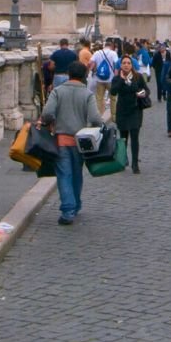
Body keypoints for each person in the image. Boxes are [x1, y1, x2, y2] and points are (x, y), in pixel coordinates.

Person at [41, 61, 103, 224]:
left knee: (64, 174)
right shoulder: (87, 94)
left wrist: (51, 121)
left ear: (69, 74)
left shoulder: (58, 91)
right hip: (81, 142)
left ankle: (68, 209)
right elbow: (96, 118)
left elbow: (47, 113)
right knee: (76, 174)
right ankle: (75, 205)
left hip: (62, 140)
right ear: (84, 76)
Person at [110, 55, 150, 173]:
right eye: (124, 63)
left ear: (132, 65)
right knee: (123, 138)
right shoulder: (117, 79)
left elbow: (147, 90)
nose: (126, 65)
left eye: (128, 63)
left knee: (134, 137)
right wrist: (123, 80)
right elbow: (113, 91)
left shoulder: (138, 77)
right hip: (122, 110)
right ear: (121, 65)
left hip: (135, 110)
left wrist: (143, 93)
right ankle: (123, 160)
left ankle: (135, 163)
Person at [90, 39, 121, 119]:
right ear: (111, 46)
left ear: (104, 46)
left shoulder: (97, 53)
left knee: (99, 98)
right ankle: (114, 116)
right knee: (113, 98)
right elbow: (117, 65)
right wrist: (116, 76)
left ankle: (98, 117)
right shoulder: (113, 53)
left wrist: (93, 71)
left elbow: (91, 64)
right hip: (110, 79)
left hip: (99, 79)